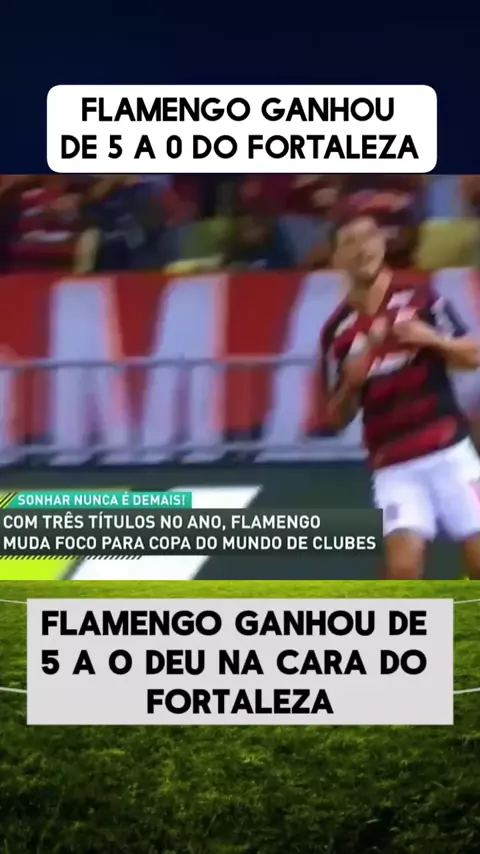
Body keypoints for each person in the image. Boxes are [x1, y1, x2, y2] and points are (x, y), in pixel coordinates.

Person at [320, 212, 480, 580]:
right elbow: (335, 418)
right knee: (402, 572)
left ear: (382, 243)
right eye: (350, 242)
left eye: (369, 237)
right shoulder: (336, 332)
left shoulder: (422, 298)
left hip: (450, 453)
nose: (362, 249)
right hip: (394, 466)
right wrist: (351, 384)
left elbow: (473, 356)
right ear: (336, 259)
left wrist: (433, 339)